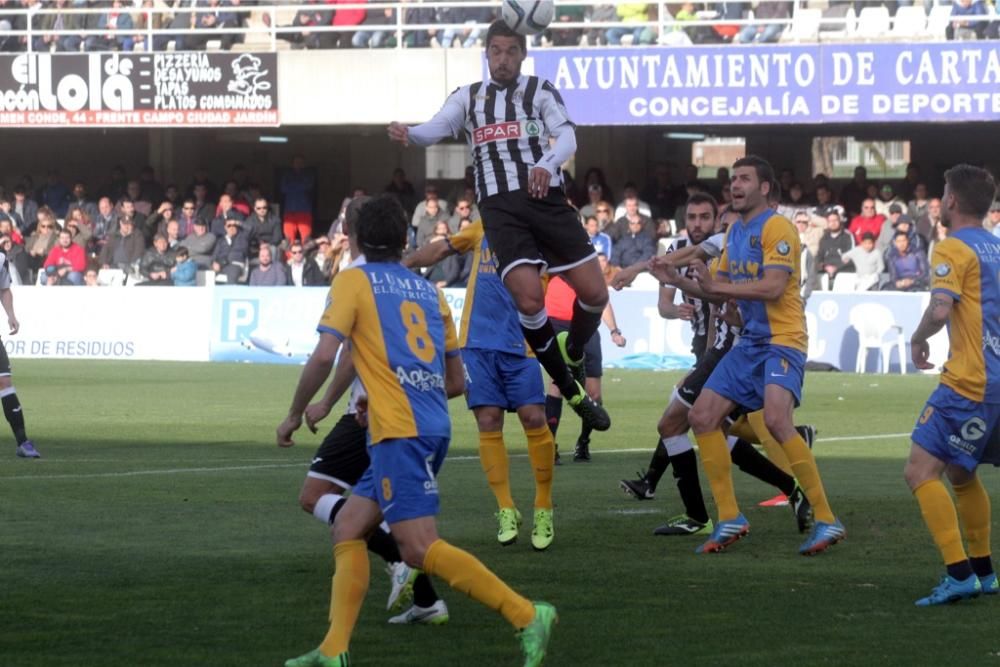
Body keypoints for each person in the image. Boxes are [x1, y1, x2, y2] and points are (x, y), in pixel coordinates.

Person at [277, 195, 556, 667]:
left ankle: (528, 614)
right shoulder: (429, 292)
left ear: (358, 238)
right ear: (405, 238)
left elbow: (326, 355)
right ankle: (334, 649)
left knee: (418, 546)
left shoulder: (353, 282)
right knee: (348, 525)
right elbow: (453, 381)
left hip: (400, 431)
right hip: (427, 423)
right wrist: (383, 395)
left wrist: (295, 412)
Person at [387, 20, 610, 435]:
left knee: (596, 294)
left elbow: (567, 140)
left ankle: (574, 348)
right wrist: (411, 134)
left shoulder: (539, 90)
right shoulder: (469, 97)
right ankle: (566, 385)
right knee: (529, 302)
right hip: (501, 209)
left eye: (510, 51)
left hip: (547, 201)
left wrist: (545, 165)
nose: (502, 59)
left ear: (522, 54)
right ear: (486, 55)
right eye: (495, 51)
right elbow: (437, 127)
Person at [650, 155, 844, 555]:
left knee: (775, 420)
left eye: (744, 179)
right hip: (751, 341)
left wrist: (719, 291)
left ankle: (827, 518)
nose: (735, 185)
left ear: (765, 187)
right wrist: (677, 279)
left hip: (782, 339)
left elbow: (773, 288)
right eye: (733, 179)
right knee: (702, 417)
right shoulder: (735, 230)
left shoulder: (778, 227)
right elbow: (717, 288)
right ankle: (729, 518)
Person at [288, 195, 448, 626]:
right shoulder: (405, 280)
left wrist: (314, 404)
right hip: (408, 410)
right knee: (367, 514)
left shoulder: (357, 278)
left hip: (377, 409)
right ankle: (424, 596)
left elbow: (342, 355)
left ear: (351, 234)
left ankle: (403, 567)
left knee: (318, 498)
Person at [618, 195, 814, 536]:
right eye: (692, 216)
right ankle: (791, 489)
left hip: (735, 349)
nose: (699, 223)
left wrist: (634, 269)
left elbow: (718, 282)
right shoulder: (715, 241)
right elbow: (698, 296)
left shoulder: (734, 239)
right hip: (717, 350)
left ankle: (697, 513)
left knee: (674, 423)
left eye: (706, 216)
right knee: (713, 429)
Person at [404, 217, 558, 550]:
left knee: (534, 417)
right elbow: (443, 248)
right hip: (476, 343)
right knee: (488, 421)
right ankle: (505, 508)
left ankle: (543, 507)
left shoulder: (543, 232)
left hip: (522, 342)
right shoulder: (483, 226)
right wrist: (408, 261)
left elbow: (573, 268)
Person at [904, 164, 1000, 606]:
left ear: (953, 202)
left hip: (968, 382)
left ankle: (959, 574)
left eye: (942, 193)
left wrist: (919, 337)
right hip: (996, 383)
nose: (939, 200)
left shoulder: (950, 249)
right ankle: (984, 572)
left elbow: (941, 309)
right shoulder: (996, 248)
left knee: (920, 471)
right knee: (962, 472)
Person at [542, 274, 626, 463]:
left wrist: (614, 330)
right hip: (555, 323)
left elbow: (600, 298)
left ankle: (583, 441)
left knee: (593, 394)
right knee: (557, 384)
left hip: (586, 325)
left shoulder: (585, 261)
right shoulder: (549, 259)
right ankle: (549, 444)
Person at [0, 240, 39, 458]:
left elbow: (4, 289)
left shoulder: (0, 259)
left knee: (4, 382)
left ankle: (23, 442)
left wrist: (11, 315)